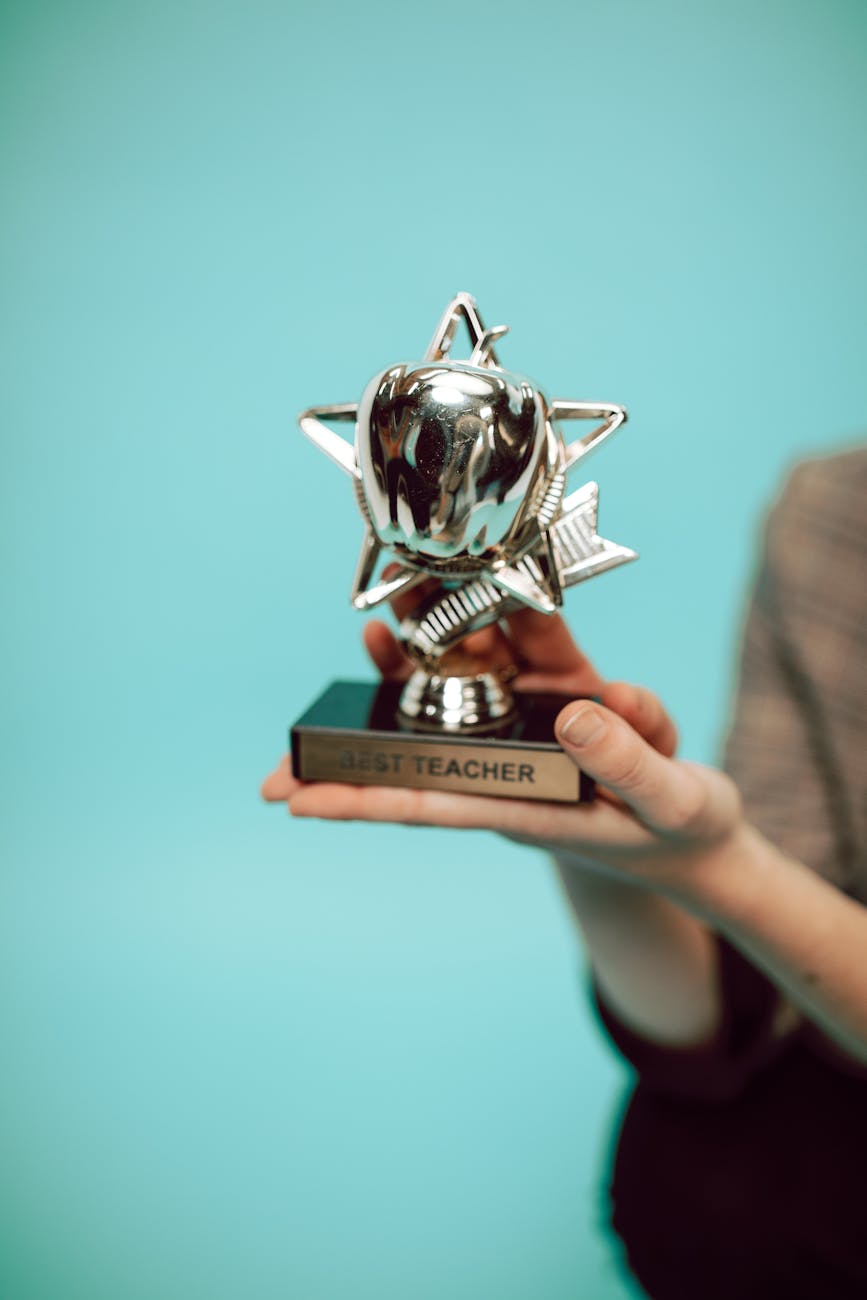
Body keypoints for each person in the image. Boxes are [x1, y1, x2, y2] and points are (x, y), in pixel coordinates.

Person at [262, 446, 867, 1297]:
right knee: (691, 1165)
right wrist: (608, 849)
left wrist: (724, 867)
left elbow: (751, 887)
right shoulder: (834, 508)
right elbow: (743, 1004)